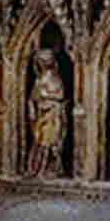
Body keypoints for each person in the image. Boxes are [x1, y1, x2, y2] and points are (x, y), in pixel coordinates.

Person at [27, 44, 68, 178]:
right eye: (41, 61)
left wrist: (46, 97)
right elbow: (33, 97)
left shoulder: (55, 79)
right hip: (42, 116)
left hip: (52, 115)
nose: (43, 64)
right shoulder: (39, 79)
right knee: (39, 142)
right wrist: (33, 107)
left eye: (45, 61)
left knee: (48, 143)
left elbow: (60, 96)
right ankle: (37, 169)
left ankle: (48, 169)